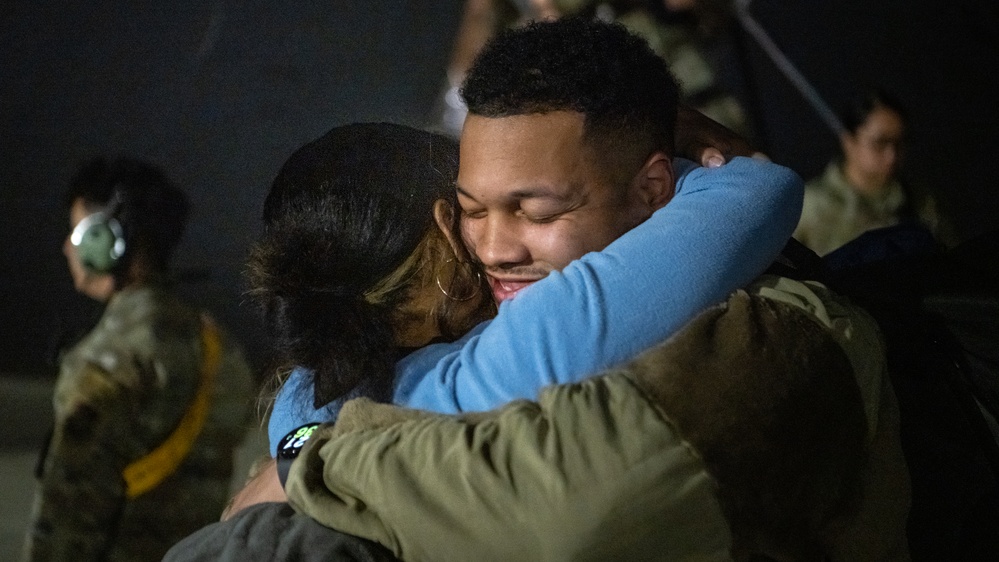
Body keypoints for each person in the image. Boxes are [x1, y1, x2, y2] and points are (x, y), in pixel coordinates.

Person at [24, 157, 255, 561]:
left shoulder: (104, 360)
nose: (67, 246)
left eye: (77, 233)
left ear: (107, 241)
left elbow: (64, 519)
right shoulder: (221, 349)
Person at [794, 89, 954, 256]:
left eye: (900, 143)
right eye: (880, 143)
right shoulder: (809, 206)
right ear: (849, 142)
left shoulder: (919, 202)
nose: (891, 156)